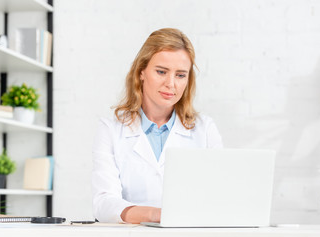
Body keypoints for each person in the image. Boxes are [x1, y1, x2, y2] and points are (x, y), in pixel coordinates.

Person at [91, 28, 223, 224]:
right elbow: (104, 204)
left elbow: (220, 195)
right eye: (161, 71)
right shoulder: (110, 130)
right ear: (141, 72)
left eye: (180, 75)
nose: (171, 83)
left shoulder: (205, 130)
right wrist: (156, 215)